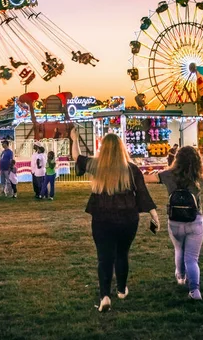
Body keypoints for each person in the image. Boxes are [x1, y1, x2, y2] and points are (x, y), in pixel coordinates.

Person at [71, 128, 160, 313]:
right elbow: (142, 193)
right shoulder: (131, 169)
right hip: (128, 218)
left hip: (102, 218)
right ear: (122, 149)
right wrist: (154, 214)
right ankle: (121, 290)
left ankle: (104, 296)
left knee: (104, 258)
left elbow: (77, 158)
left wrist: (74, 139)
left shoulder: (97, 166)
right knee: (122, 253)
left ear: (103, 149)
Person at [154, 146, 203, 301]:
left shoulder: (167, 175)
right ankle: (194, 291)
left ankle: (180, 277)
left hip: (175, 221)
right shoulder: (200, 177)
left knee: (179, 249)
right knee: (191, 258)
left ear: (177, 159)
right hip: (195, 220)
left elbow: (146, 179)